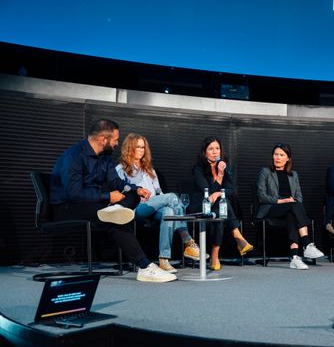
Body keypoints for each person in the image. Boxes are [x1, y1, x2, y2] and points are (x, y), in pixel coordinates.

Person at [50, 119, 176, 283]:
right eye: (115, 140)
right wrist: (108, 197)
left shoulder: (105, 157)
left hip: (94, 203)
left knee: (130, 196)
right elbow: (75, 194)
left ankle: (116, 211)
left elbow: (117, 183)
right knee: (112, 217)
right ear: (103, 139)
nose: (117, 143)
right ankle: (144, 266)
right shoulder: (73, 156)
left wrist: (136, 189)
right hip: (68, 207)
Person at [116, 133, 203, 274]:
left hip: (154, 206)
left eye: (143, 147)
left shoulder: (149, 169)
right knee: (173, 197)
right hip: (136, 208)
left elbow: (159, 192)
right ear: (129, 148)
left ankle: (164, 259)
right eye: (137, 147)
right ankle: (187, 240)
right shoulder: (121, 169)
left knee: (169, 211)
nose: (141, 150)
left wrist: (166, 203)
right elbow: (119, 193)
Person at [256, 143, 324, 270]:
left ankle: (294, 258)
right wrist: (282, 201)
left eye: (282, 155)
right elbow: (262, 196)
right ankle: (307, 244)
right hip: (271, 209)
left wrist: (290, 202)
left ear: (288, 158)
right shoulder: (265, 172)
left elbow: (299, 197)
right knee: (293, 206)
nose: (278, 157)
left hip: (289, 210)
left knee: (292, 214)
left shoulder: (293, 175)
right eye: (276, 154)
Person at [190, 136, 253, 270]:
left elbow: (233, 191)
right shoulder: (198, 169)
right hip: (200, 205)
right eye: (211, 149)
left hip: (217, 207)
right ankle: (236, 236)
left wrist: (219, 193)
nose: (215, 152)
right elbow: (207, 193)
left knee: (221, 208)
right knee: (222, 204)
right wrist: (219, 176)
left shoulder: (225, 168)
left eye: (217, 148)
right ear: (204, 152)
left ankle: (215, 254)